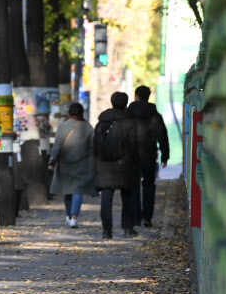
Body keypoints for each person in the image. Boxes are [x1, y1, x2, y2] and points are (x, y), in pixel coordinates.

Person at [94, 92, 139, 239]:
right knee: (128, 196)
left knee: (106, 198)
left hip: (105, 166)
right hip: (125, 165)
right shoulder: (130, 122)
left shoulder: (101, 123)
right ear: (126, 103)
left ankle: (106, 231)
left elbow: (94, 146)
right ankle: (127, 228)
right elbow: (134, 145)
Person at [48, 103, 97, 228]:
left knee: (67, 190)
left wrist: (52, 161)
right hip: (83, 164)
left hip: (65, 164)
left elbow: (57, 146)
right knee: (77, 190)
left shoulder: (63, 126)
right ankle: (74, 217)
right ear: (81, 113)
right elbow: (94, 146)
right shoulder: (88, 127)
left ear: (70, 113)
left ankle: (69, 215)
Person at [127, 85, 169, 227]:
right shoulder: (155, 115)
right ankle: (147, 217)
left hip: (131, 155)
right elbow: (163, 136)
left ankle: (136, 216)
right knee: (149, 185)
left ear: (136, 96)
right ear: (148, 96)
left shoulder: (128, 114)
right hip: (149, 155)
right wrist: (165, 156)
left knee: (133, 185)